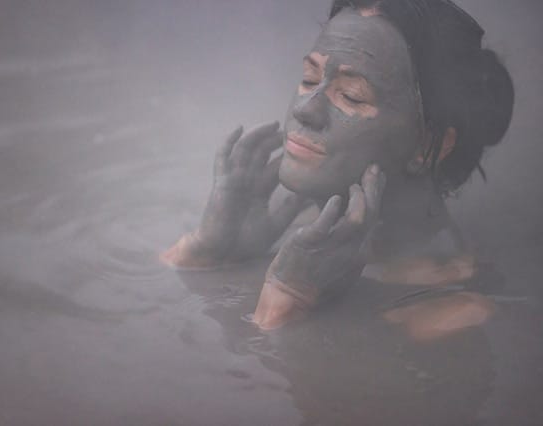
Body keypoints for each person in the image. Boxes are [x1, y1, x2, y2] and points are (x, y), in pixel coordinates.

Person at [161, 0, 514, 334]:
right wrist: (205, 250)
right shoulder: (299, 234)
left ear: (425, 146)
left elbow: (248, 391)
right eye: (310, 80)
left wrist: (288, 301)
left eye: (351, 96)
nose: (304, 109)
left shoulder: (451, 312)